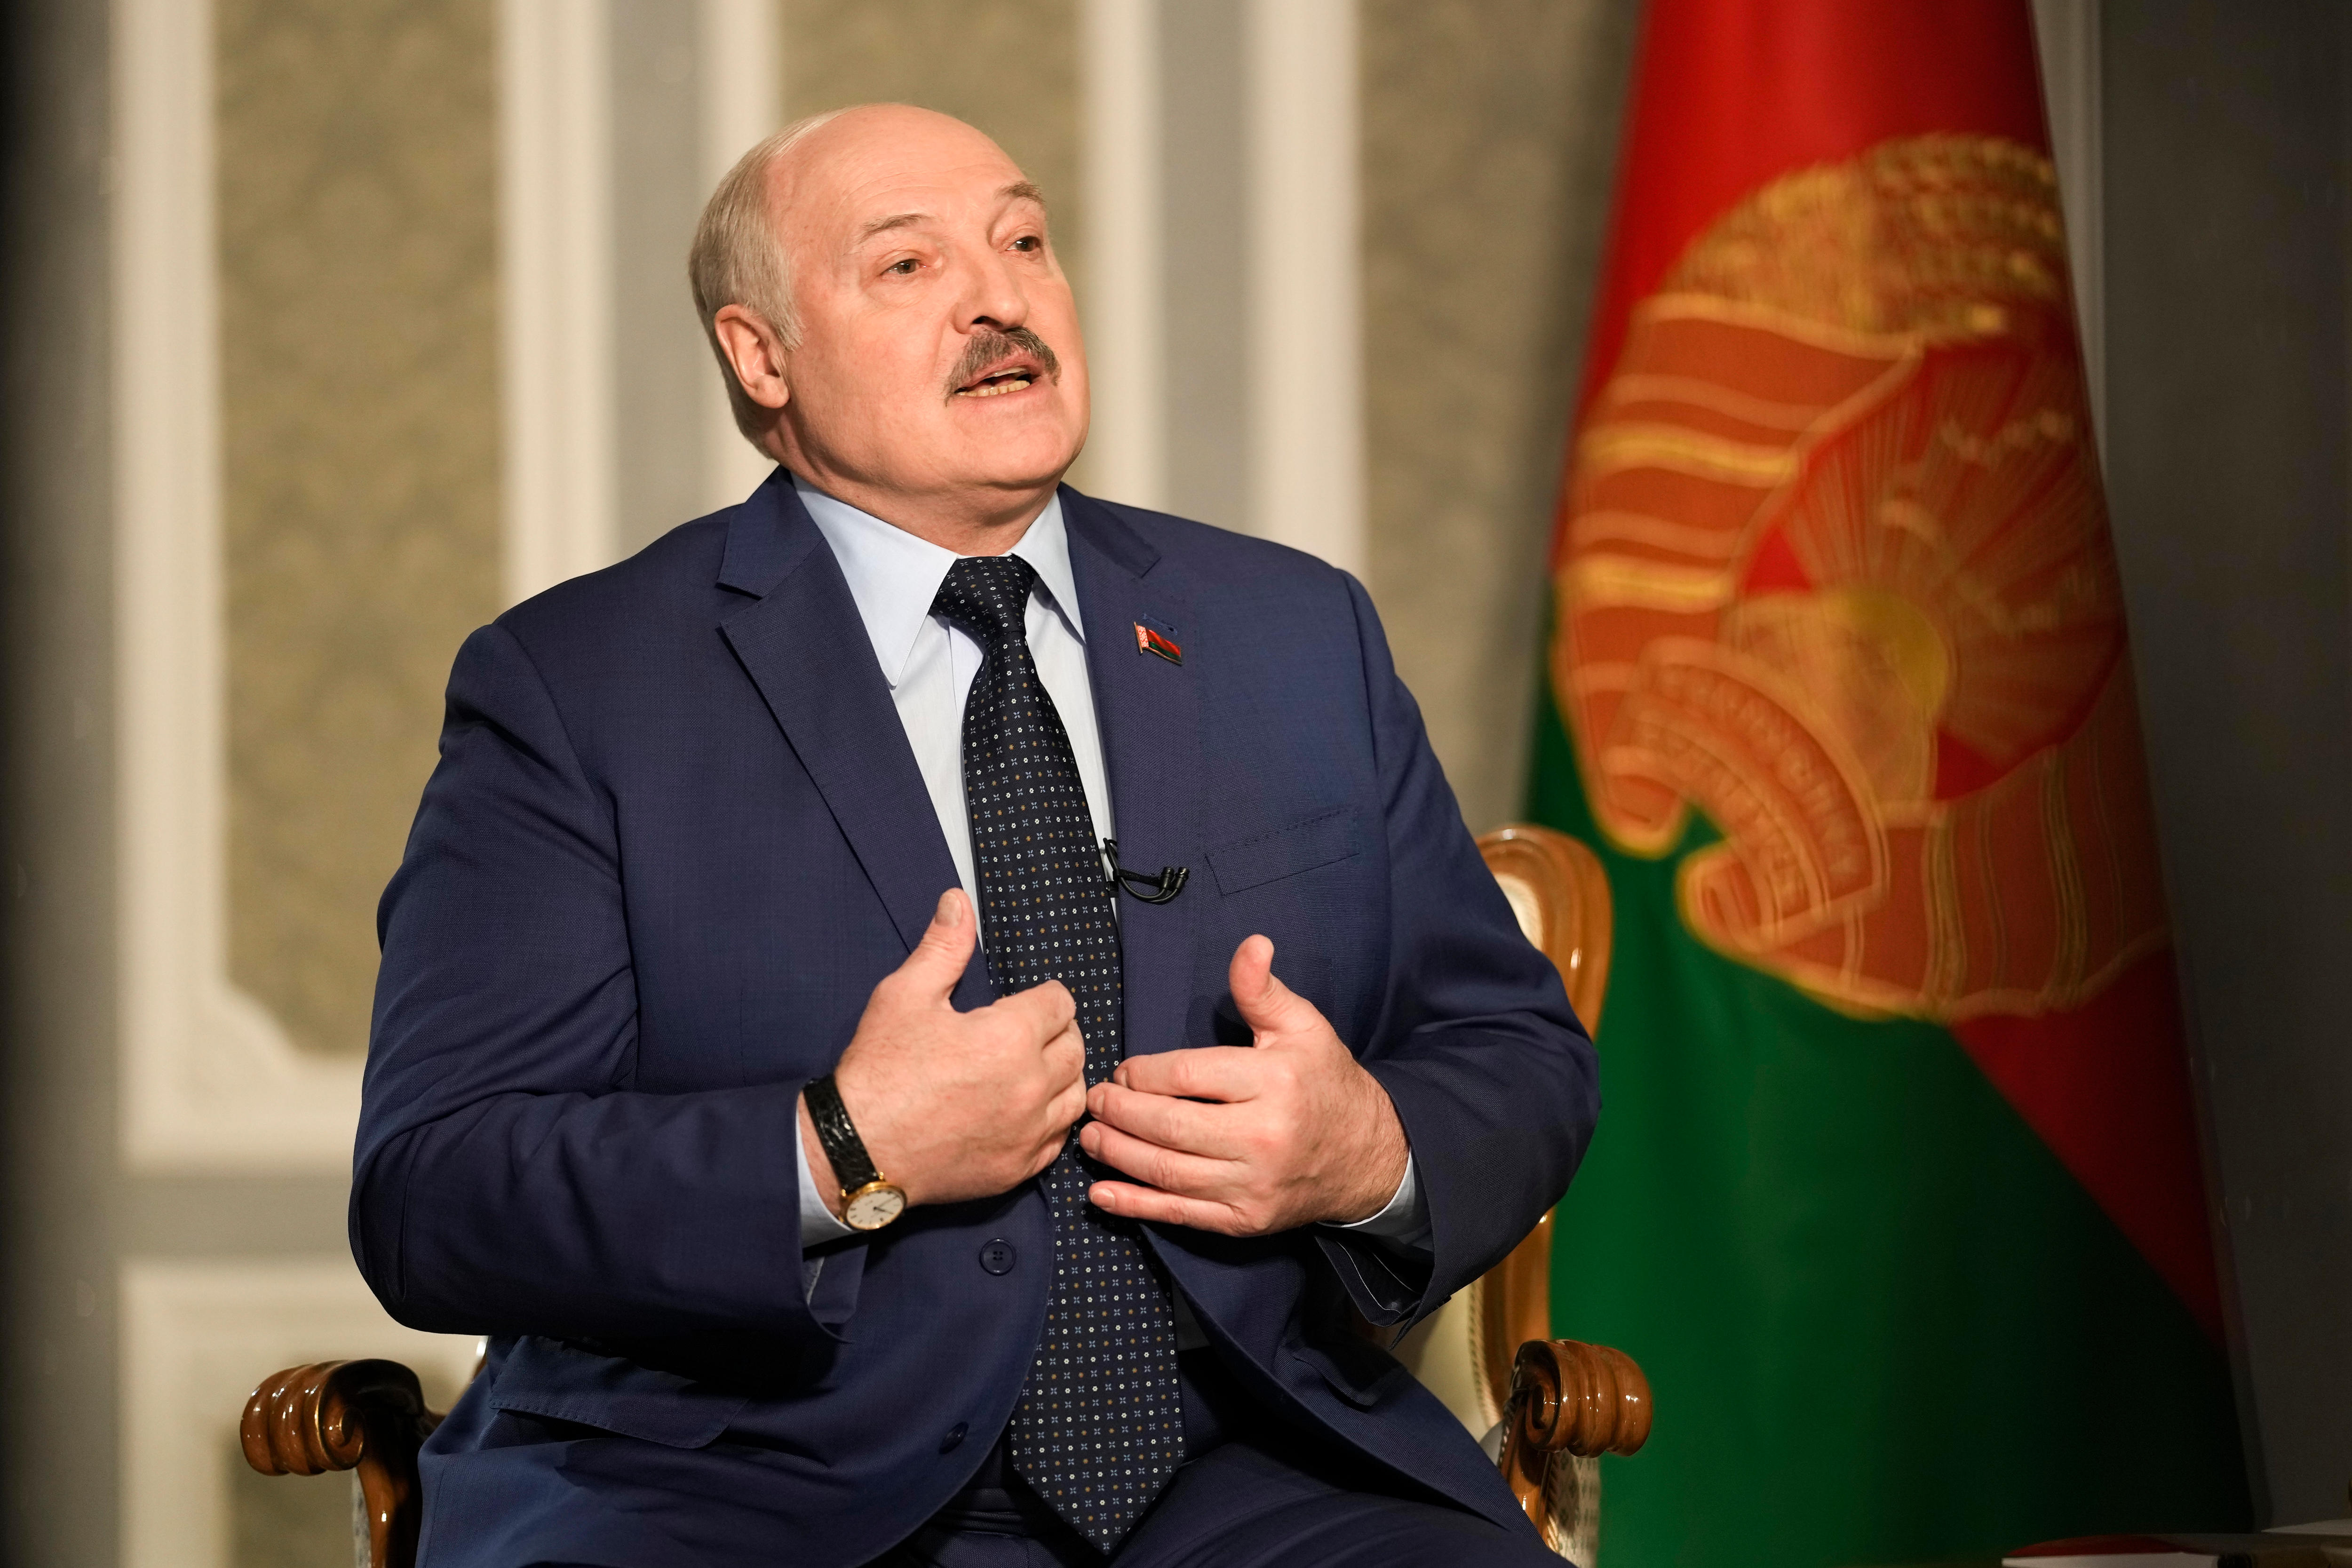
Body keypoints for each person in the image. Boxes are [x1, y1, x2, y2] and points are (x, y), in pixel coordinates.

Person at [355, 103, 1597, 1568]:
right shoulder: (577, 688)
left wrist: (1367, 1149)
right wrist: (837, 1145)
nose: (1000, 297)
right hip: (732, 1495)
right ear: (761, 356)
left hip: (1253, 1478)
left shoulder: (1292, 631)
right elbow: (439, 1191)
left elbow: (1515, 1057)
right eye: (907, 267)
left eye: (1024, 241)